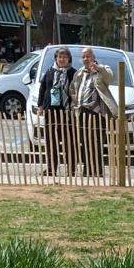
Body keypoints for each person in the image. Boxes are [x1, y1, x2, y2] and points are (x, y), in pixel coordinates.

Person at [73, 46, 118, 177]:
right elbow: (73, 88)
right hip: (82, 112)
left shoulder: (102, 69)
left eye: (88, 56)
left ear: (93, 57)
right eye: (83, 57)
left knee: (96, 142)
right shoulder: (80, 72)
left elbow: (110, 77)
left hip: (97, 113)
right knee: (84, 142)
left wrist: (97, 68)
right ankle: (87, 170)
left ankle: (97, 171)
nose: (86, 59)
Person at [36, 46, 76, 176]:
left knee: (68, 142)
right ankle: (51, 168)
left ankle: (71, 169)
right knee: (51, 142)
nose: (62, 59)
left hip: (67, 113)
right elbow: (42, 89)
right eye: (60, 57)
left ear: (69, 59)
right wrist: (40, 106)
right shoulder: (49, 71)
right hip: (50, 112)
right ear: (56, 58)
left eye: (65, 57)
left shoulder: (74, 73)